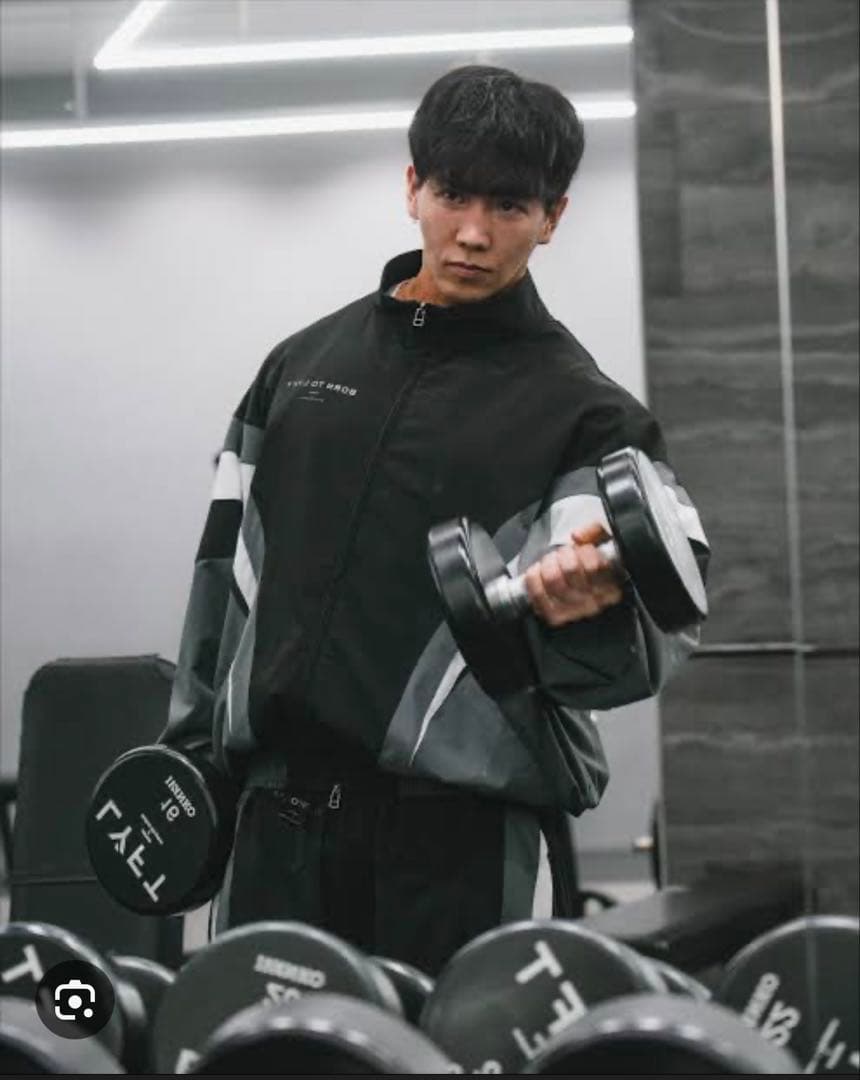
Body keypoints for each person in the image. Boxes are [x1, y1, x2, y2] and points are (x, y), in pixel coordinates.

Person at [160, 65, 709, 976]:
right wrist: (190, 770)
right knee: (261, 1047)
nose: (474, 233)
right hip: (275, 830)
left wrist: (591, 606)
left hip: (460, 847)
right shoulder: (298, 372)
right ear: (412, 186)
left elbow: (650, 623)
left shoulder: (588, 416)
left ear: (553, 217)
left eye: (510, 205)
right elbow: (223, 583)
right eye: (453, 195)